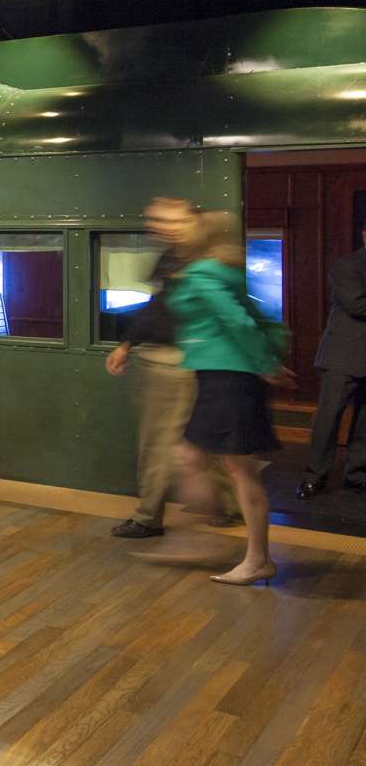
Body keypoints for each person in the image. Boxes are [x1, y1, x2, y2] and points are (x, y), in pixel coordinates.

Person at [161, 210, 289, 586]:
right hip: (222, 376)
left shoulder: (204, 275)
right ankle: (205, 541)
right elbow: (256, 318)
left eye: (187, 228)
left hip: (229, 379)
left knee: (239, 470)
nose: (179, 232)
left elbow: (238, 322)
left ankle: (254, 558)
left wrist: (266, 363)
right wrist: (267, 361)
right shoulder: (225, 272)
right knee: (194, 456)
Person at [107, 197, 238, 538]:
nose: (160, 227)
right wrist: (127, 343)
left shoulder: (206, 259)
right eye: (156, 221)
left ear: (193, 220)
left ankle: (148, 517)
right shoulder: (178, 256)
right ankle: (226, 506)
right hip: (185, 358)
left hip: (177, 361)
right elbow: (158, 306)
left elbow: (230, 316)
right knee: (198, 439)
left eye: (169, 220)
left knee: (158, 441)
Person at [297, 219, 366, 499]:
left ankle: (357, 475)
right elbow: (357, 304)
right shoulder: (347, 265)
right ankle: (315, 476)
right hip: (343, 355)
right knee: (328, 419)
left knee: (365, 420)